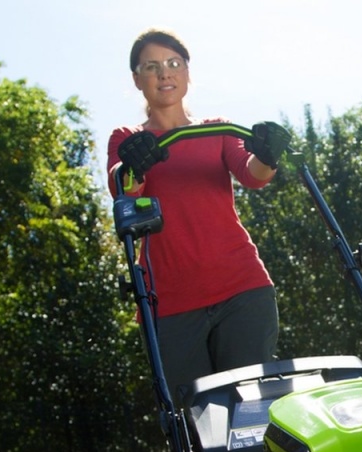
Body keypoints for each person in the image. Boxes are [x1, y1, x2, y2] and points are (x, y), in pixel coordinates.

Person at [107, 28, 291, 398]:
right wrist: (134, 165)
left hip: (242, 290)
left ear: (187, 72)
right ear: (137, 79)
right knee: (192, 417)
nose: (164, 73)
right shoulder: (126, 139)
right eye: (152, 66)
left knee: (251, 410)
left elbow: (253, 174)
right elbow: (124, 188)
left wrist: (268, 154)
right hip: (169, 303)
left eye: (173, 63)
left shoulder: (216, 130)